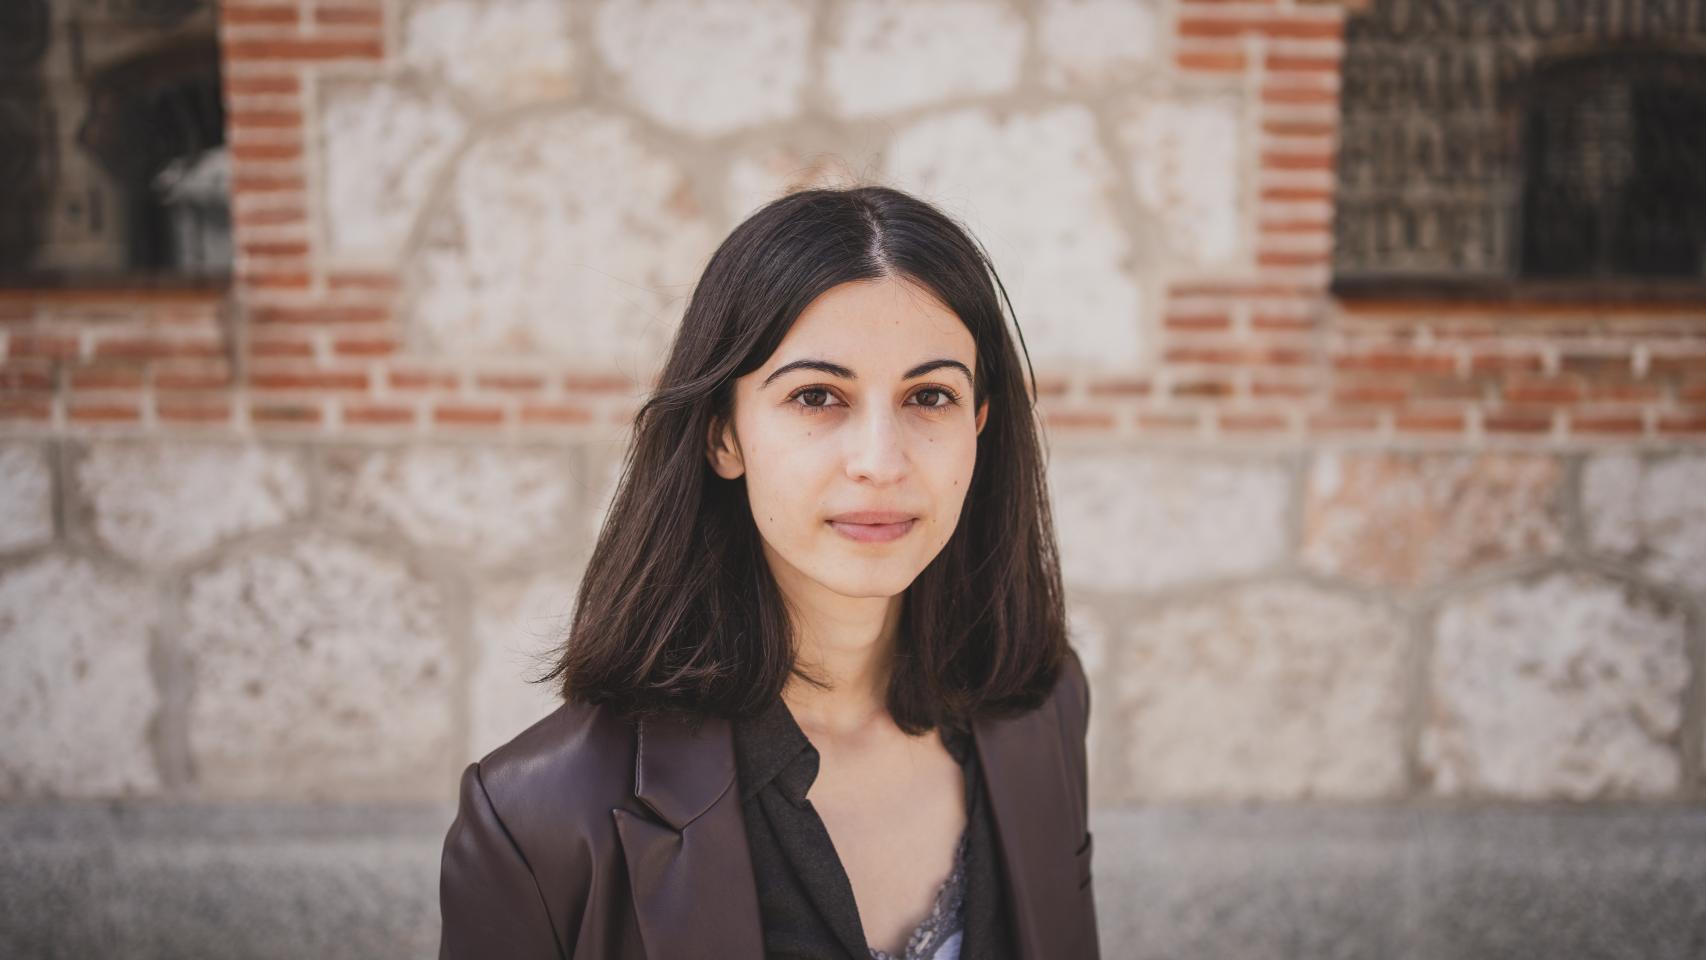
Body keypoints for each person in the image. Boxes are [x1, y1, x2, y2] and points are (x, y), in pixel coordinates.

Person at [438, 185, 1099, 960]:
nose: (881, 463)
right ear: (723, 436)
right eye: (817, 396)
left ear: (979, 426)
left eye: (930, 396)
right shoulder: (535, 819)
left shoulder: (1043, 709)